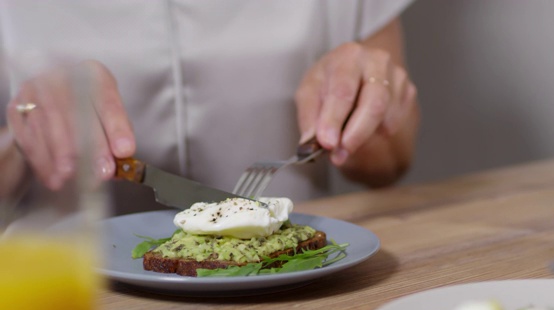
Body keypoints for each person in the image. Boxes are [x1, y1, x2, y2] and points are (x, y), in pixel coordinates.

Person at [0, 0, 419, 215]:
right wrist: (22, 140)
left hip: (287, 300)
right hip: (67, 296)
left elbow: (391, 162)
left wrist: (360, 114)